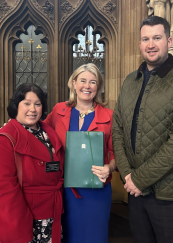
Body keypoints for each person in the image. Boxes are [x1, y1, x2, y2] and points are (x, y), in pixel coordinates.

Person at [112, 16, 173, 243]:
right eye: (145, 39)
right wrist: (127, 175)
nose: (150, 44)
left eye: (156, 38)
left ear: (169, 41)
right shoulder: (130, 81)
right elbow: (118, 129)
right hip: (136, 192)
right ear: (140, 43)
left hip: (169, 195)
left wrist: (139, 179)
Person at [0, 83, 64, 243]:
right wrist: (18, 231)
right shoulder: (4, 140)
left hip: (51, 215)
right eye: (26, 103)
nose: (32, 109)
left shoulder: (48, 132)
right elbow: (3, 192)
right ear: (16, 106)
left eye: (37, 104)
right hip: (22, 221)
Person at [44, 63, 116, 243]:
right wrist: (16, 128)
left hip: (97, 191)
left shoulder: (109, 116)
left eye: (93, 82)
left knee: (94, 236)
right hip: (65, 189)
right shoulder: (58, 110)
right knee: (68, 235)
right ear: (74, 83)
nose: (87, 86)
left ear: (98, 87)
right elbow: (40, 134)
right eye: (82, 80)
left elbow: (116, 152)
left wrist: (110, 167)